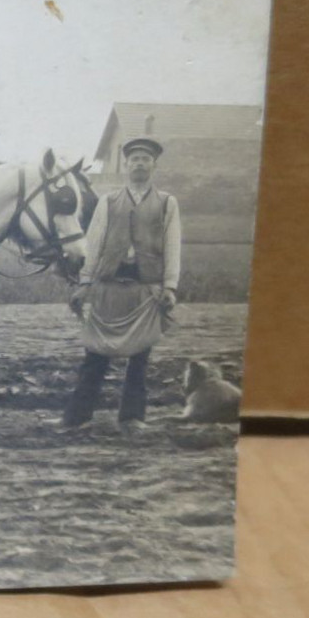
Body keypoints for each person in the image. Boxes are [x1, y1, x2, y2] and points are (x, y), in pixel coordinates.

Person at [57, 137, 182, 436]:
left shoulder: (167, 203)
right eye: (134, 159)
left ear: (154, 165)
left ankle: (132, 419)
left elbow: (173, 245)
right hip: (108, 288)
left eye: (145, 159)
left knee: (140, 360)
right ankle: (77, 419)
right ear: (126, 165)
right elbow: (95, 243)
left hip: (146, 290)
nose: (139, 163)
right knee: (95, 357)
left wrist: (170, 287)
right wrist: (85, 283)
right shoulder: (108, 201)